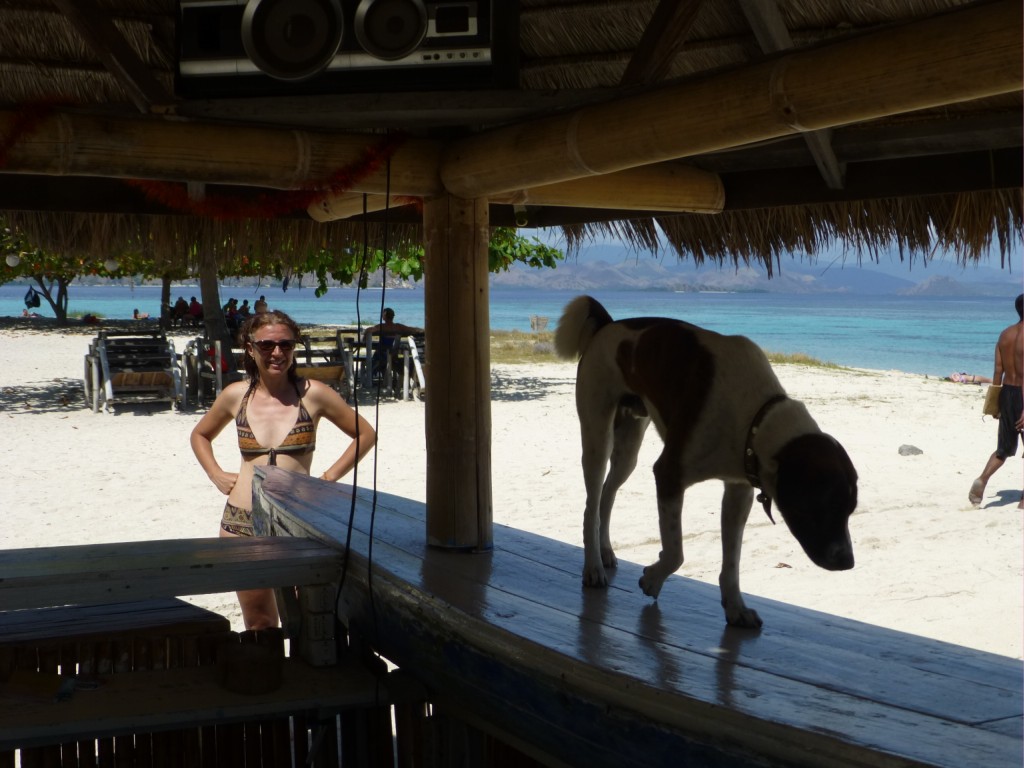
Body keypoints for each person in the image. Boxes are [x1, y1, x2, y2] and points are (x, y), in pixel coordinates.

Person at [190, 310, 376, 629]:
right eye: (267, 345)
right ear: (250, 349)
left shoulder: (313, 394)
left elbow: (365, 434)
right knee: (259, 623)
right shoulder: (236, 395)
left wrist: (328, 479)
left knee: (310, 621)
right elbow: (200, 435)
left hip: (299, 521)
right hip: (242, 521)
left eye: (286, 345)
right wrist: (215, 473)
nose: (277, 353)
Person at [969, 294, 1024, 508]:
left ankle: (982, 479)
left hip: (1007, 394)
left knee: (1003, 449)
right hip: (1022, 395)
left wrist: (995, 404)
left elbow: (997, 372)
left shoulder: (1004, 335)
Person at [363, 308, 423, 382]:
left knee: (374, 359)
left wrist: (364, 337)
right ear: (392, 317)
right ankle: (385, 378)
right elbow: (411, 329)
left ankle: (369, 378)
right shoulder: (398, 327)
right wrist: (421, 330)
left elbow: (368, 330)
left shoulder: (381, 326)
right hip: (394, 353)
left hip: (382, 353)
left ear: (384, 317)